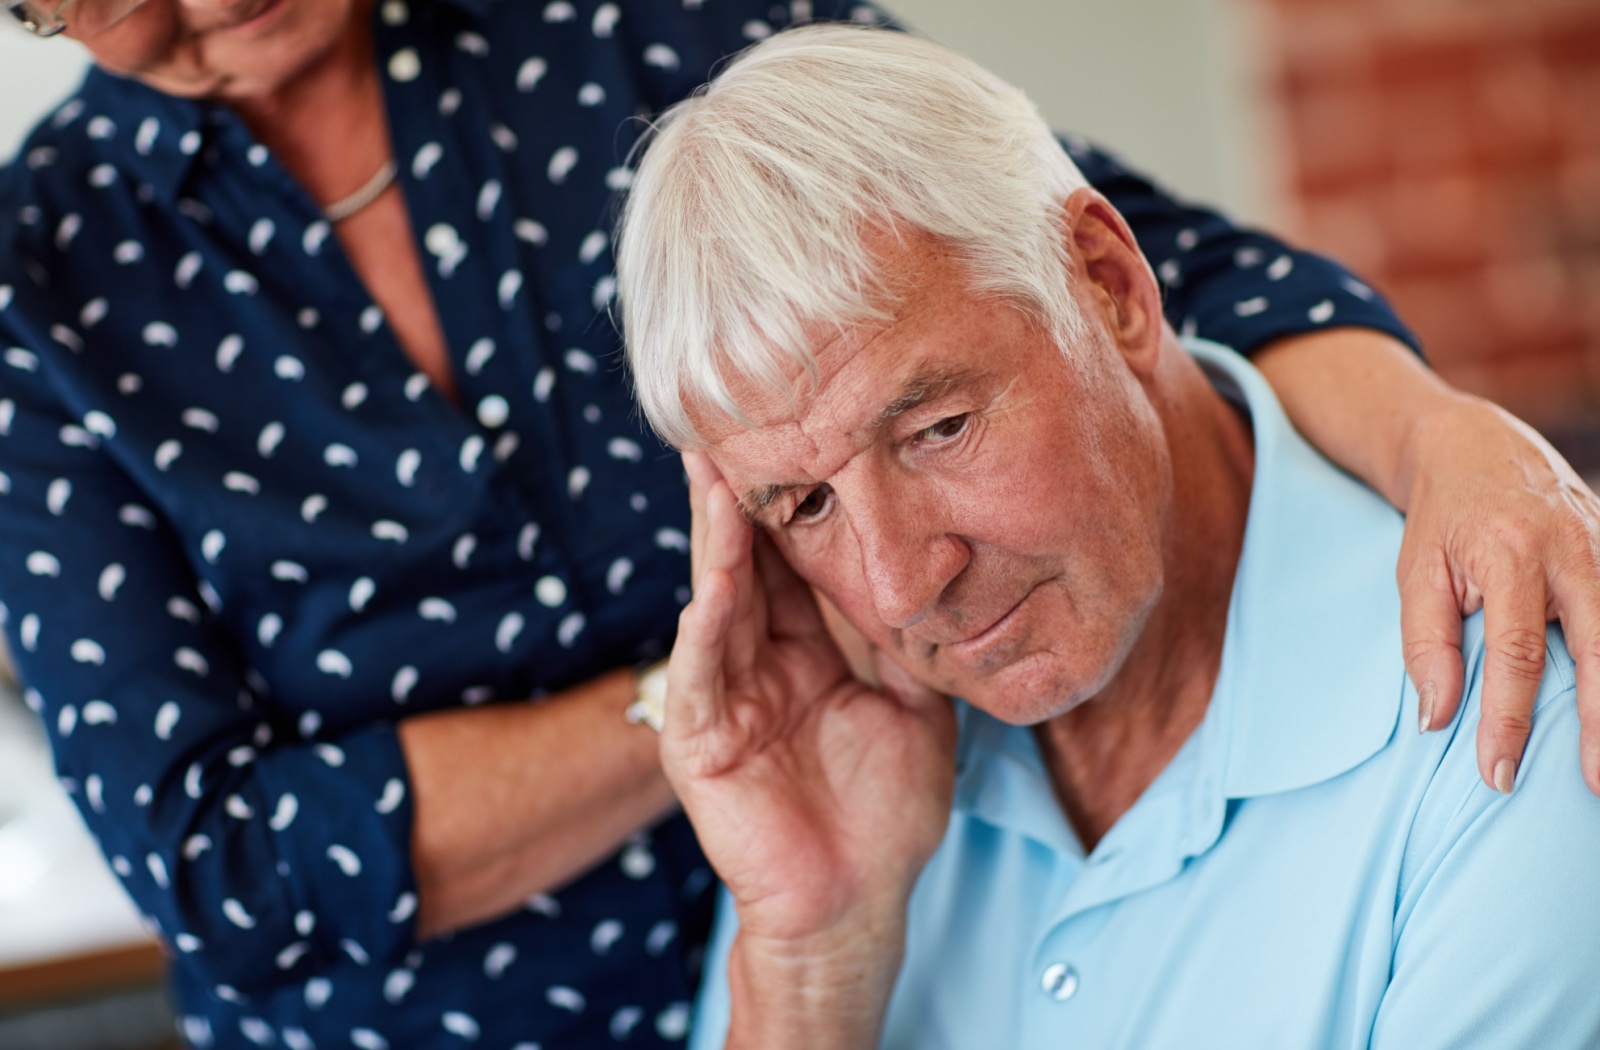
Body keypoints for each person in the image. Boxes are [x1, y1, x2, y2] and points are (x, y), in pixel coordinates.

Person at [3, 2, 1599, 1049]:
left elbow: (1104, 249)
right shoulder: (42, 275)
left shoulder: (629, 15)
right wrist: (727, 742)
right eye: (803, 504)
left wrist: (1456, 439)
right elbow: (214, 855)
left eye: (940, 430)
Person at [615, 25, 1600, 1050]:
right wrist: (811, 972)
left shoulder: (1517, 742)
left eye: (937, 429)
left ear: (1109, 285)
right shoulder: (843, 790)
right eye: (806, 506)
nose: (901, 587)